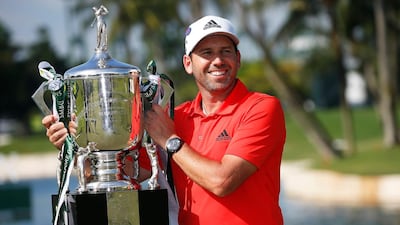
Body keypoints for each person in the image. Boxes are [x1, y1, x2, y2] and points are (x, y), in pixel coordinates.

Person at [43, 15, 286, 225]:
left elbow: (223, 181)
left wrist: (170, 140)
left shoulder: (261, 108)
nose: (218, 61)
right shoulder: (176, 116)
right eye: (207, 53)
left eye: (226, 51)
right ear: (188, 64)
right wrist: (75, 148)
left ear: (238, 59)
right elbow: (131, 174)